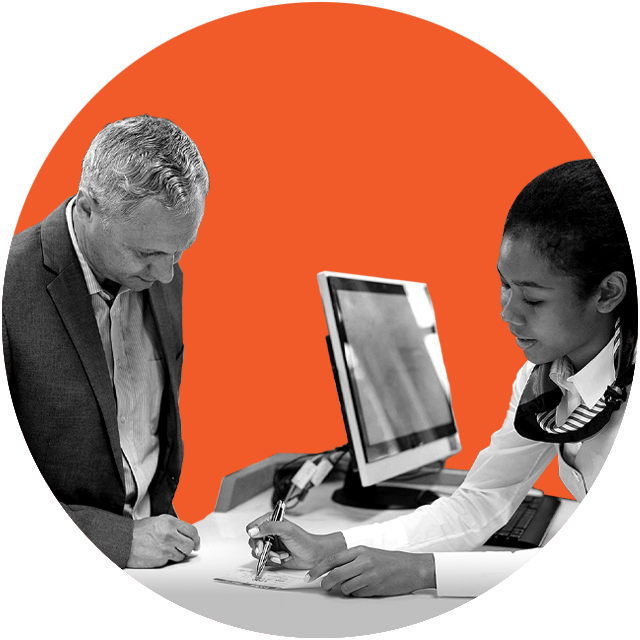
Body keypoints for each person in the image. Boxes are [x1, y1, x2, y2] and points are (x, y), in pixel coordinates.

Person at [246, 159, 637, 597]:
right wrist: (332, 548)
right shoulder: (545, 380)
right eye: (504, 285)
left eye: (532, 298)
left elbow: (622, 561)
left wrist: (425, 572)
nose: (507, 313)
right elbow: (482, 501)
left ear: (608, 292)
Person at [2, 114, 209, 569]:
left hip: (160, 571)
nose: (166, 274)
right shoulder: (9, 289)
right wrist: (114, 541)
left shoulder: (163, 275)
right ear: (89, 207)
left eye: (180, 250)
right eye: (146, 254)